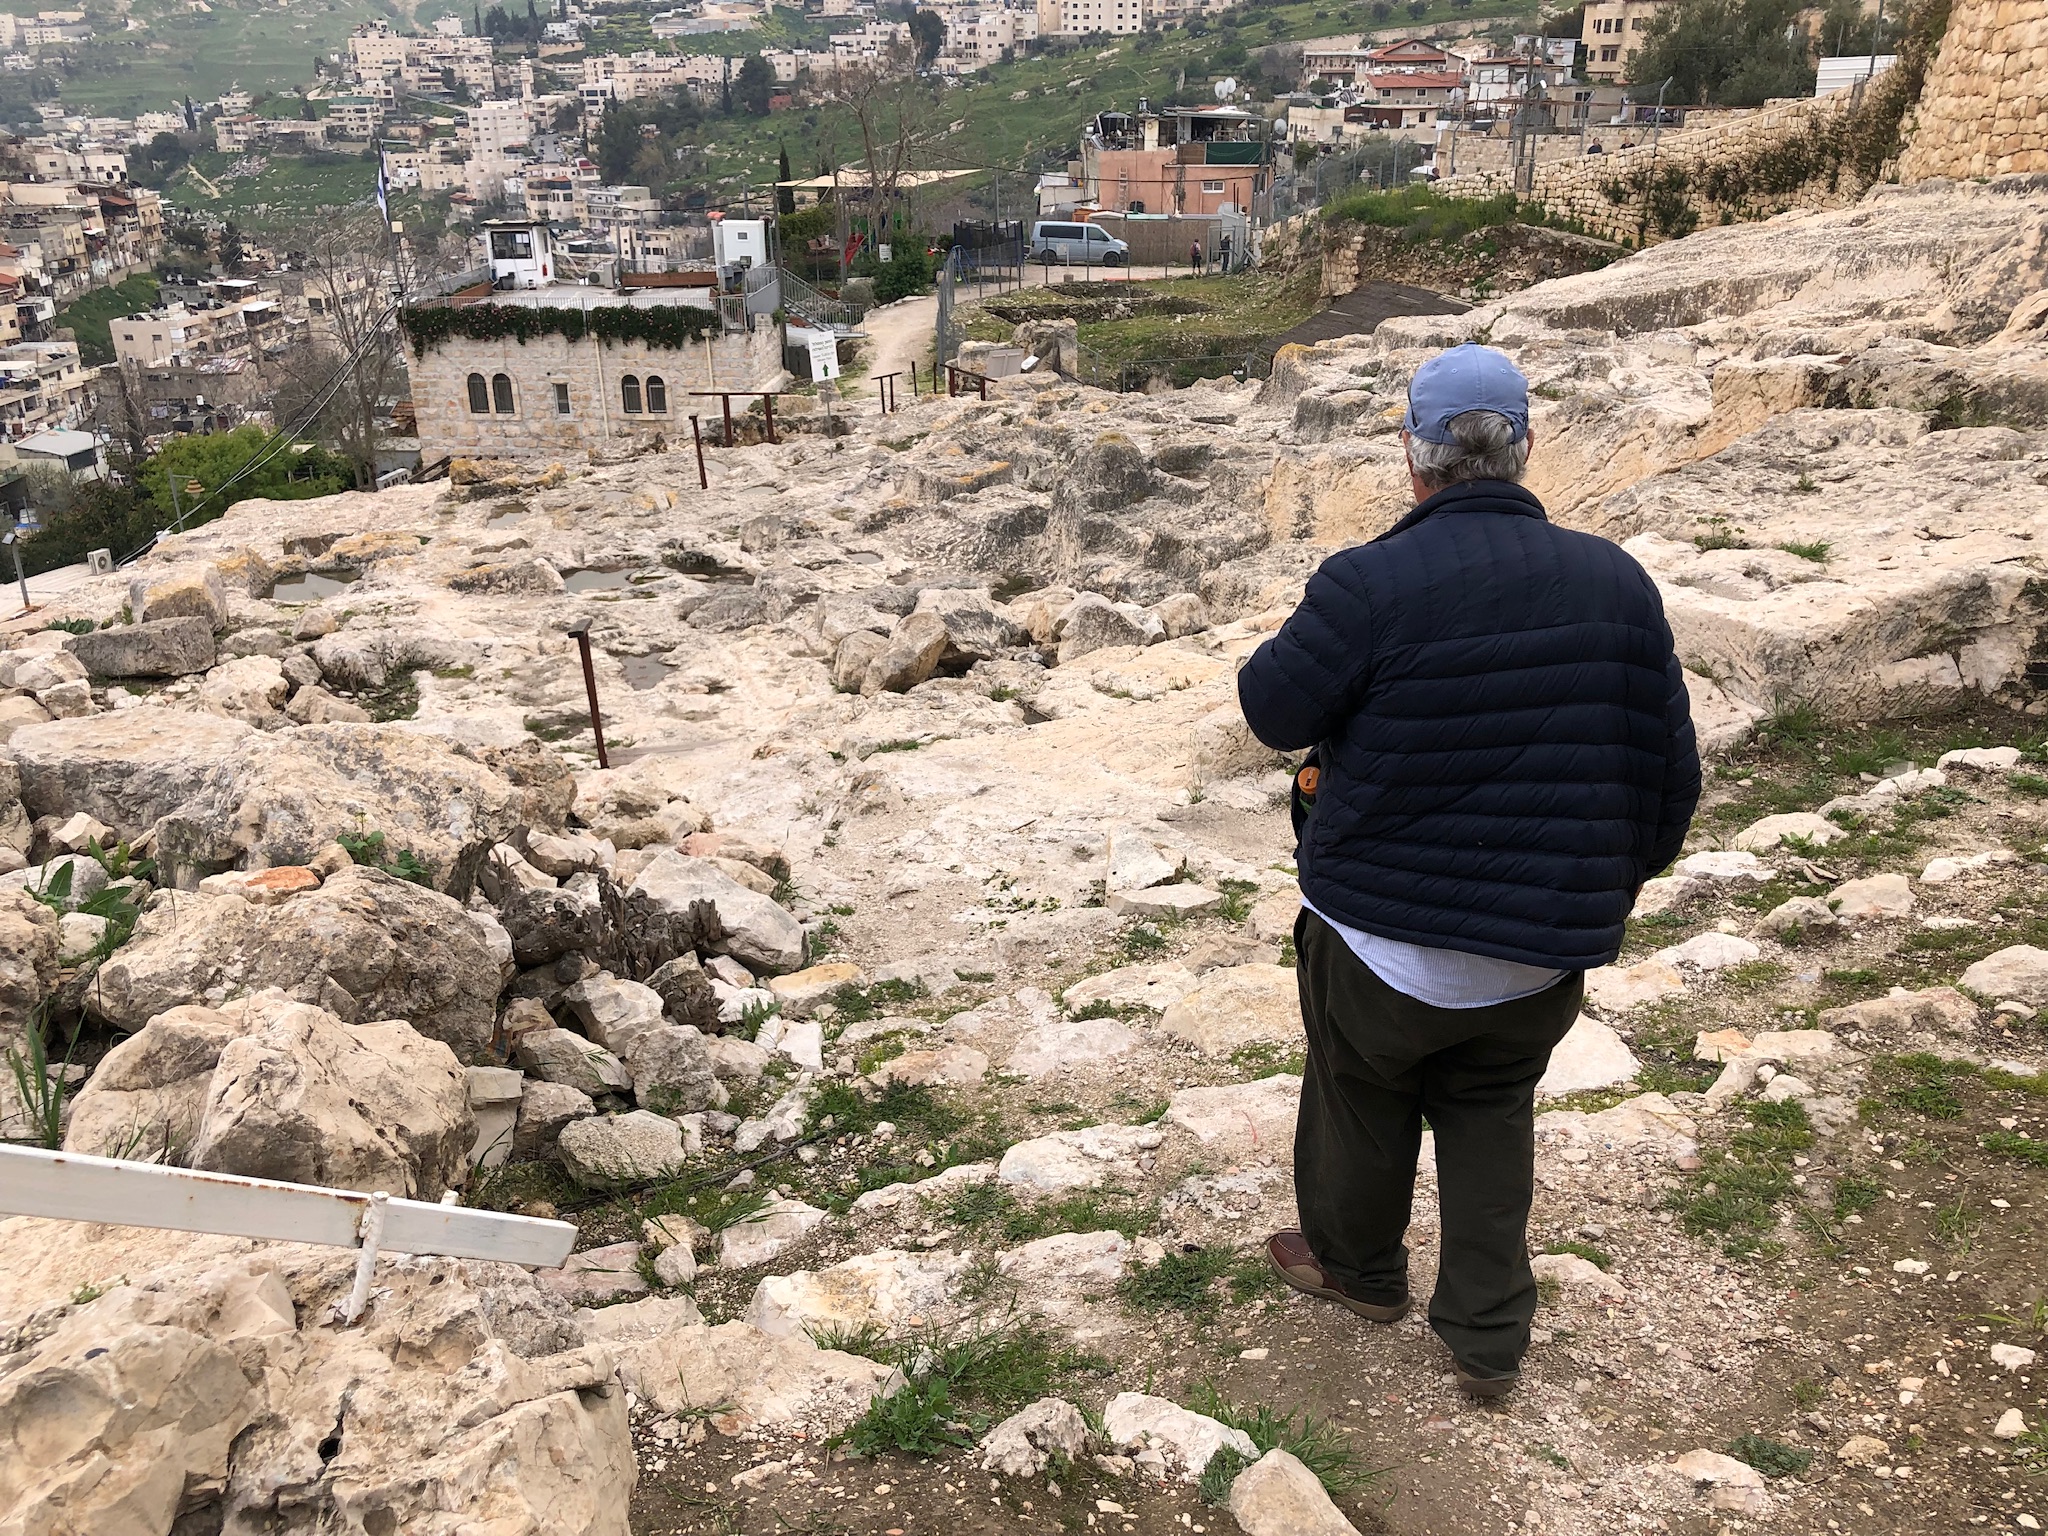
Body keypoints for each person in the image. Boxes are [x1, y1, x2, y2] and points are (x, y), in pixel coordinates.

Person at [1236, 343, 1699, 1399]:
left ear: (1412, 457)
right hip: (1538, 949)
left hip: (1377, 938)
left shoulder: (1367, 581)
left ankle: (1358, 1273)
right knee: (1492, 1112)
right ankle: (1487, 1334)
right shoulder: (1616, 583)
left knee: (1357, 1092)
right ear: (1525, 450)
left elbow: (1270, 709)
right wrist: (1599, 890)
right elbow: (1669, 778)